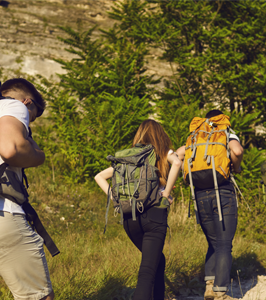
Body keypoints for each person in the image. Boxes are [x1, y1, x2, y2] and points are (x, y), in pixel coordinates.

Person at [95, 120, 181, 300]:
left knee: (158, 261)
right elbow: (178, 164)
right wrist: (165, 194)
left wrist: (116, 199)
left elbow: (99, 176)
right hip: (154, 216)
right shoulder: (161, 152)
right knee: (147, 272)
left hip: (129, 217)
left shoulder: (129, 158)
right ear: (160, 135)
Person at [0, 78, 53, 300]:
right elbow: (10, 149)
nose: (28, 125)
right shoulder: (12, 106)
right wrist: (39, 156)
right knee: (38, 297)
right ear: (27, 102)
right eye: (32, 118)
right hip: (1, 212)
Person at [176, 109, 243, 300]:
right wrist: (236, 167)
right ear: (221, 119)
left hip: (199, 195)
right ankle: (221, 293)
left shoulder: (197, 135)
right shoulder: (225, 131)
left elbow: (178, 154)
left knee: (213, 242)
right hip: (222, 192)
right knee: (223, 244)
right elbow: (237, 150)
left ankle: (209, 287)